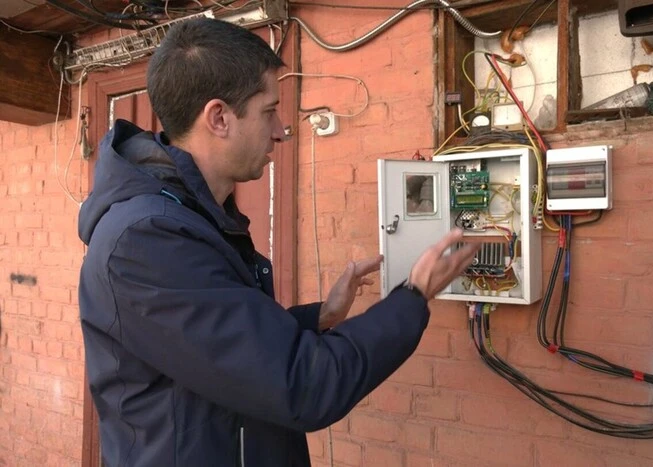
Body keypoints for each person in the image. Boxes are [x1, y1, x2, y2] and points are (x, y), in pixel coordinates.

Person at [78, 18, 480, 467]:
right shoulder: (146, 240)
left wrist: (321, 318)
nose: (282, 131)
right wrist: (414, 295)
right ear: (219, 118)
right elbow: (305, 385)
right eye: (269, 110)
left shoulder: (193, 216)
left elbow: (227, 350)